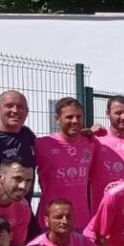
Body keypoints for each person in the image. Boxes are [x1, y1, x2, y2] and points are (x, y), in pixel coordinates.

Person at [35, 97, 94, 230]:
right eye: (69, 117)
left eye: (79, 117)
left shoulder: (91, 142)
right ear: (57, 119)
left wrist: (97, 130)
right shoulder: (42, 144)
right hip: (51, 221)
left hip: (82, 221)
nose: (75, 121)